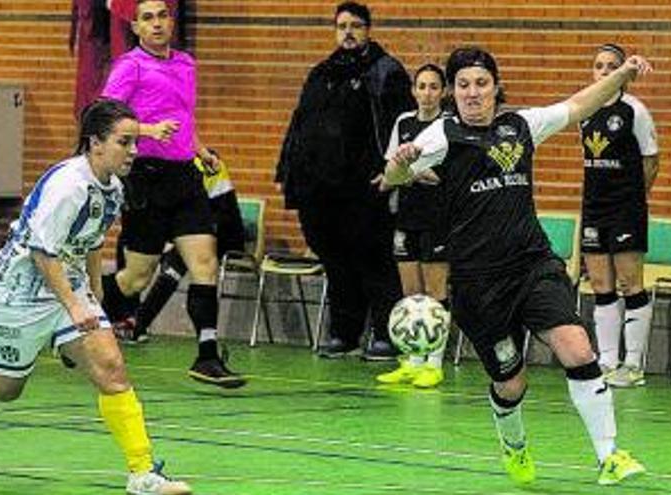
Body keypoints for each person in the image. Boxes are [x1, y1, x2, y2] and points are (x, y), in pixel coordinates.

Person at [379, 47, 651, 486]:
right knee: (511, 383)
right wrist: (400, 163)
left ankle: (610, 456)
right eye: (463, 85)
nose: (472, 93)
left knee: (578, 348)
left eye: (481, 84)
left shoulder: (520, 125)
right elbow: (392, 178)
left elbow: (580, 103)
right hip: (478, 283)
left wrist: (621, 73)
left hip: (531, 264)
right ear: (452, 92)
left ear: (495, 88)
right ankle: (515, 443)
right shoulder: (439, 136)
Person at [0, 99, 192, 495]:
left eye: (135, 142)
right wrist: (74, 305)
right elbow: (42, 251)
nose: (134, 151)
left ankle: (142, 473)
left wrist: (94, 293)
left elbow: (90, 240)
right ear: (95, 143)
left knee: (111, 367)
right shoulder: (68, 187)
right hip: (14, 297)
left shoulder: (114, 188)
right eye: (125, 142)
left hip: (64, 289)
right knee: (4, 388)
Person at [99, 0, 245, 388]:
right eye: (148, 18)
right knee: (135, 278)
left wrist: (200, 149)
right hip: (145, 178)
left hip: (185, 177)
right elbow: (104, 115)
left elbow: (182, 120)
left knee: (205, 265)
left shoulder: (186, 63)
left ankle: (207, 356)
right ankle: (80, 326)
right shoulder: (129, 66)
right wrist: (146, 132)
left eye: (163, 16)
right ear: (136, 28)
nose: (157, 24)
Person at [276, 1, 413, 361]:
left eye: (355, 25)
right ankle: (344, 332)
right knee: (335, 261)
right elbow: (300, 125)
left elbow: (402, 126)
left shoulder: (386, 71)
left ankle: (385, 333)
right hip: (321, 190)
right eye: (342, 26)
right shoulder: (321, 73)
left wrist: (392, 172)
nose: (348, 32)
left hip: (367, 187)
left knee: (374, 260)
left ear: (368, 29)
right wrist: (290, 173)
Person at [580, 44, 659, 388]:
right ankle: (608, 360)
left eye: (612, 66)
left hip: (626, 209)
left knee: (630, 284)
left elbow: (651, 161)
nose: (604, 71)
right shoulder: (585, 109)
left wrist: (634, 199)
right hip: (594, 208)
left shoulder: (634, 111)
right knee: (601, 285)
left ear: (623, 73)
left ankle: (634, 364)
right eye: (599, 66)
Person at [114, 155, 247, 344]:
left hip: (220, 236)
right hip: (186, 234)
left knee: (174, 266)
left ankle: (138, 324)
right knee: (127, 242)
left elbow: (227, 216)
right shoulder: (158, 169)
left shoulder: (210, 166)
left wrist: (186, 238)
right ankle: (126, 314)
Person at [375, 64, 449, 388]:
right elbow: (391, 167)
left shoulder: (448, 126)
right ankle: (411, 361)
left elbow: (442, 176)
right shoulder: (404, 122)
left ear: (443, 92)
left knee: (435, 293)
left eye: (434, 87)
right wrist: (400, 174)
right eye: (422, 86)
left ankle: (434, 364)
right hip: (407, 215)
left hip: (438, 217)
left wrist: (411, 172)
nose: (428, 93)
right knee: (410, 293)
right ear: (413, 90)